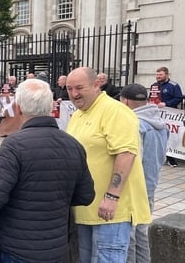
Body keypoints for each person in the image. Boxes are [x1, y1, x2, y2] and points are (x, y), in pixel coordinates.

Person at [0, 79, 95, 263]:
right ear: (50, 106)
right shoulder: (73, 145)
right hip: (56, 247)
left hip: (17, 248)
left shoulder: (13, 145)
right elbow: (86, 195)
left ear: (18, 108)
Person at [65, 67, 151, 263]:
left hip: (111, 212)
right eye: (69, 89)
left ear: (97, 85)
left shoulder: (115, 111)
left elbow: (126, 153)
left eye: (79, 87)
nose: (74, 94)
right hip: (86, 210)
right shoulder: (79, 114)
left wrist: (112, 196)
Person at [120, 84, 169, 263]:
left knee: (129, 236)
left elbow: (131, 160)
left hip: (134, 188)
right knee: (141, 232)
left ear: (124, 101)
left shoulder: (135, 124)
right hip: (151, 184)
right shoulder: (160, 124)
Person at [151, 66, 183, 167]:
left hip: (170, 115)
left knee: (170, 136)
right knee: (157, 135)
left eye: (160, 75)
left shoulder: (174, 85)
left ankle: (171, 158)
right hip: (156, 114)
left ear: (166, 74)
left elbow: (179, 98)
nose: (158, 76)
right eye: (157, 75)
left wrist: (166, 104)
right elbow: (151, 97)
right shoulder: (154, 85)